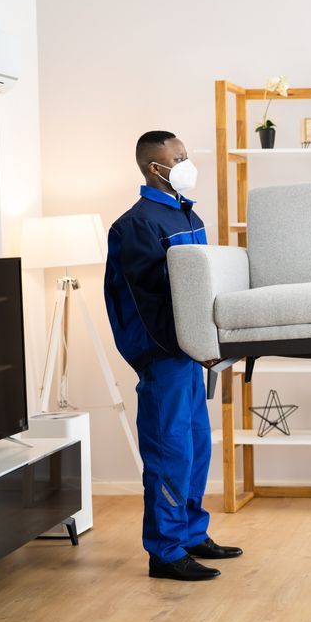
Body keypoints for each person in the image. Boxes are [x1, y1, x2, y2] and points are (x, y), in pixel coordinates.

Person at [104, 130, 242, 581]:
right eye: (177, 157)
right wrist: (184, 348)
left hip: (193, 354)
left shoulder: (187, 214)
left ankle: (191, 533)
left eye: (185, 154)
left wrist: (211, 343)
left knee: (197, 449)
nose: (186, 162)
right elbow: (146, 304)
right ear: (153, 167)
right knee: (169, 453)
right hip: (165, 358)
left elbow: (201, 288)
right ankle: (165, 552)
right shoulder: (136, 225)